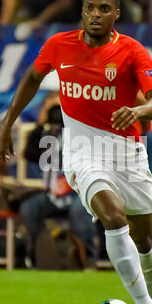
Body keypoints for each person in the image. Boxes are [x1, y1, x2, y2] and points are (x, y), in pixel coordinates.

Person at [0, 0, 152, 304]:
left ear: (116, 14)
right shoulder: (59, 46)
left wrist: (138, 111)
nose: (95, 14)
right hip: (82, 151)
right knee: (113, 217)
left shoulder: (133, 52)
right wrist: (8, 123)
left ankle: (151, 302)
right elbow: (30, 78)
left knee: (145, 240)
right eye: (90, 7)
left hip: (127, 153)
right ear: (83, 10)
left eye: (104, 9)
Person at [19, 93, 97, 266]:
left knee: (80, 210)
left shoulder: (80, 128)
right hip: (52, 194)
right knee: (29, 208)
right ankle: (38, 256)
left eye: (58, 108)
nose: (56, 114)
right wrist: (41, 124)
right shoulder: (45, 134)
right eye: (51, 109)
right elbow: (29, 154)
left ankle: (86, 259)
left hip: (78, 192)